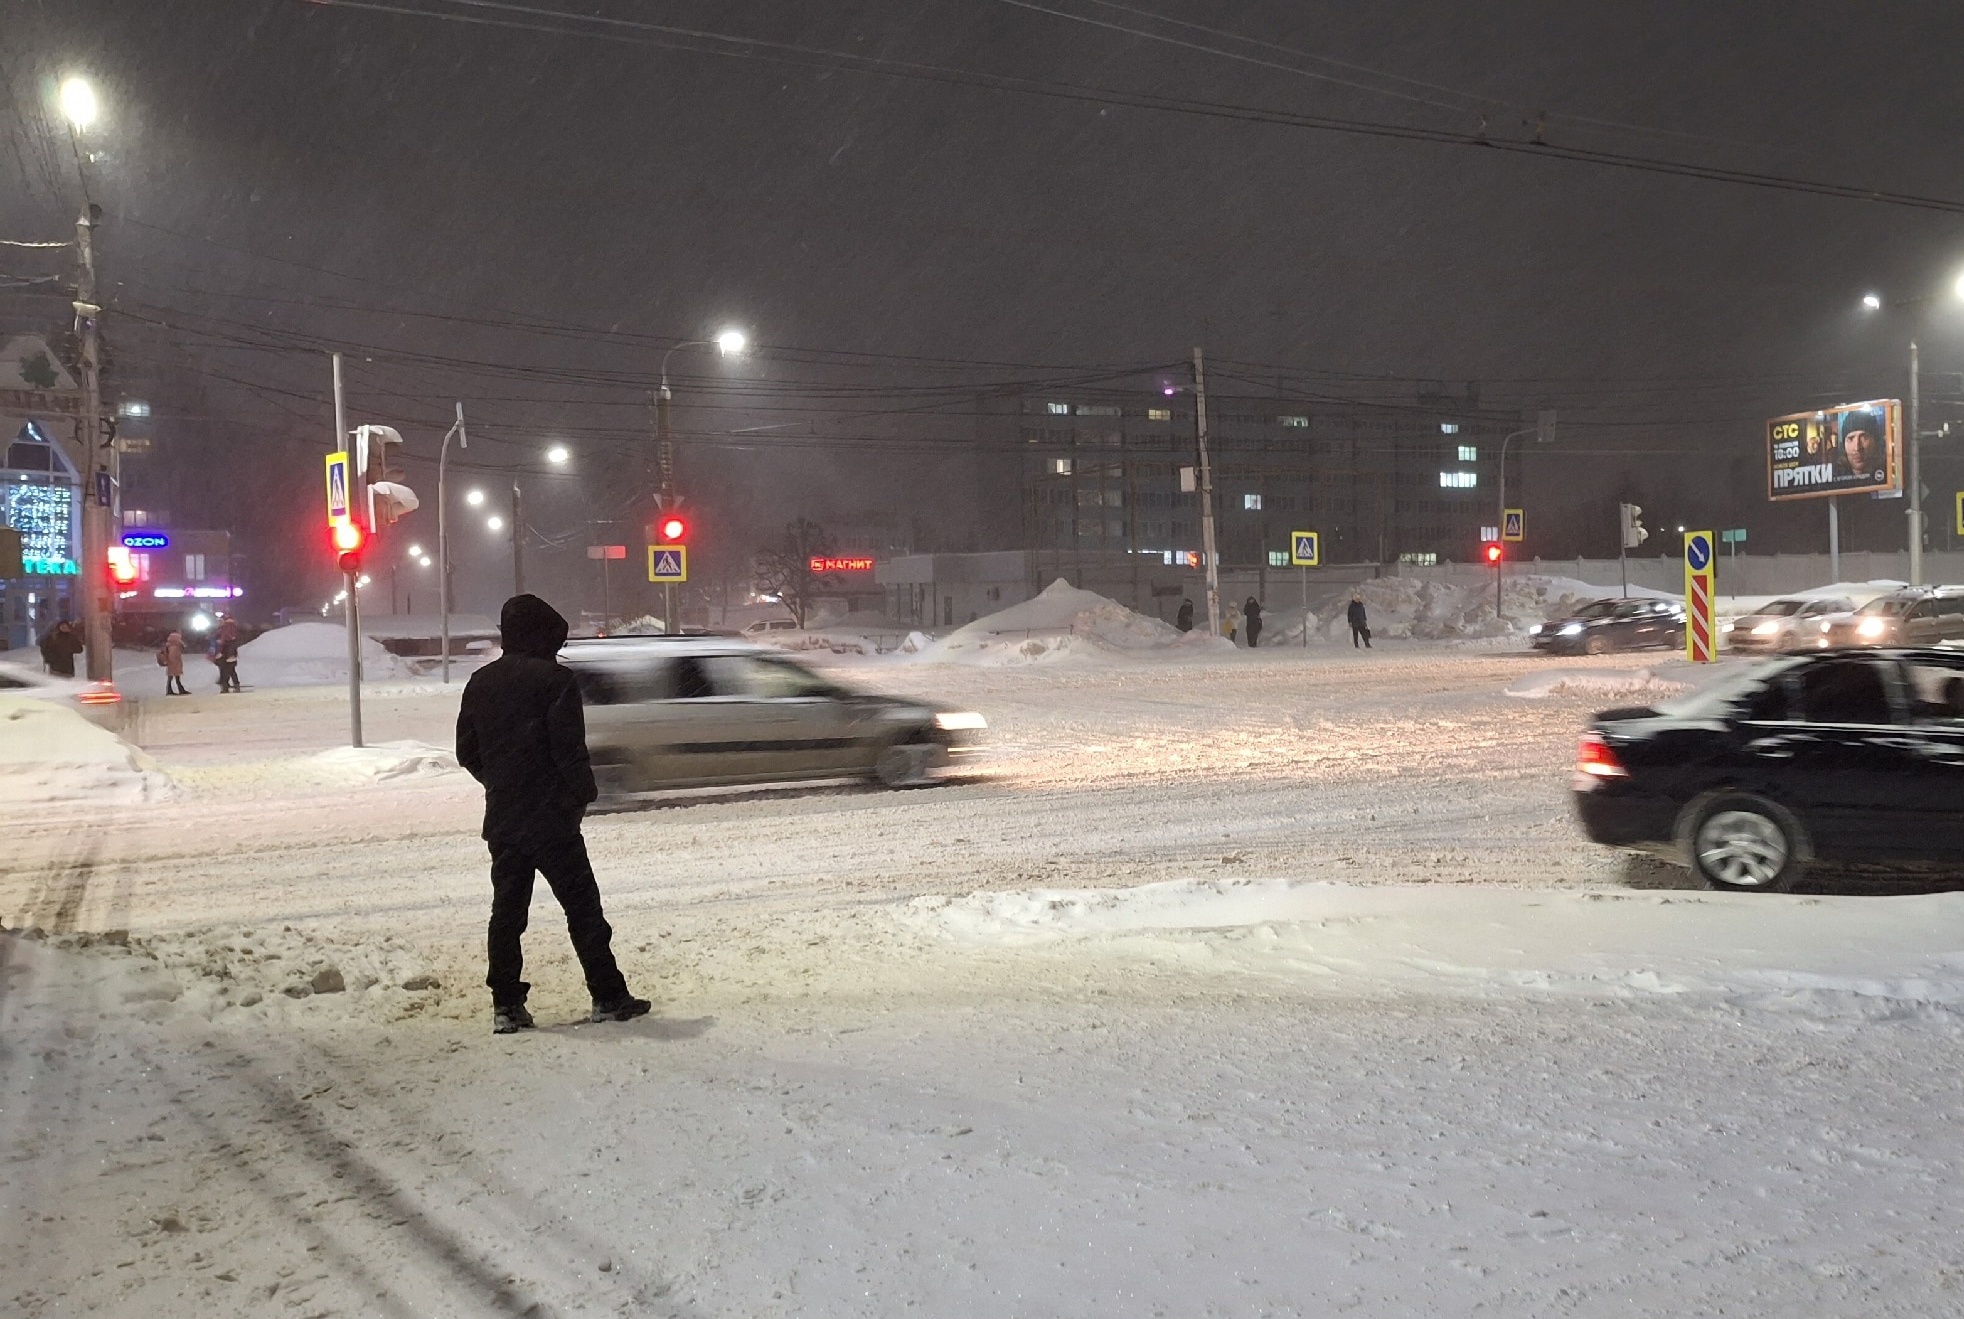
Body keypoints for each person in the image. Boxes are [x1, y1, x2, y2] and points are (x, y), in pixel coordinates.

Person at [456, 593, 648, 1035]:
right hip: (551, 818)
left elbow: (466, 751)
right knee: (583, 909)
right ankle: (608, 995)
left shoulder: (480, 682)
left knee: (507, 914)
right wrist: (582, 795)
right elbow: (569, 751)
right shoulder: (555, 682)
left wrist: (500, 783)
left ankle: (506, 1004)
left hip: (505, 818)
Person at [212, 617, 242, 692]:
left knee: (226, 670)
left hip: (226, 654)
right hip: (228, 654)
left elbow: (223, 643)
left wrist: (221, 653)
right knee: (230, 670)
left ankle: (226, 686)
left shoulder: (224, 631)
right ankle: (233, 685)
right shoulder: (231, 631)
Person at [158, 630, 189, 695]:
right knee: (175, 677)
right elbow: (173, 656)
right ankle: (179, 690)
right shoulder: (175, 646)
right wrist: (174, 663)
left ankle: (171, 690)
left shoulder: (169, 645)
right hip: (174, 663)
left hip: (171, 663)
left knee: (171, 677)